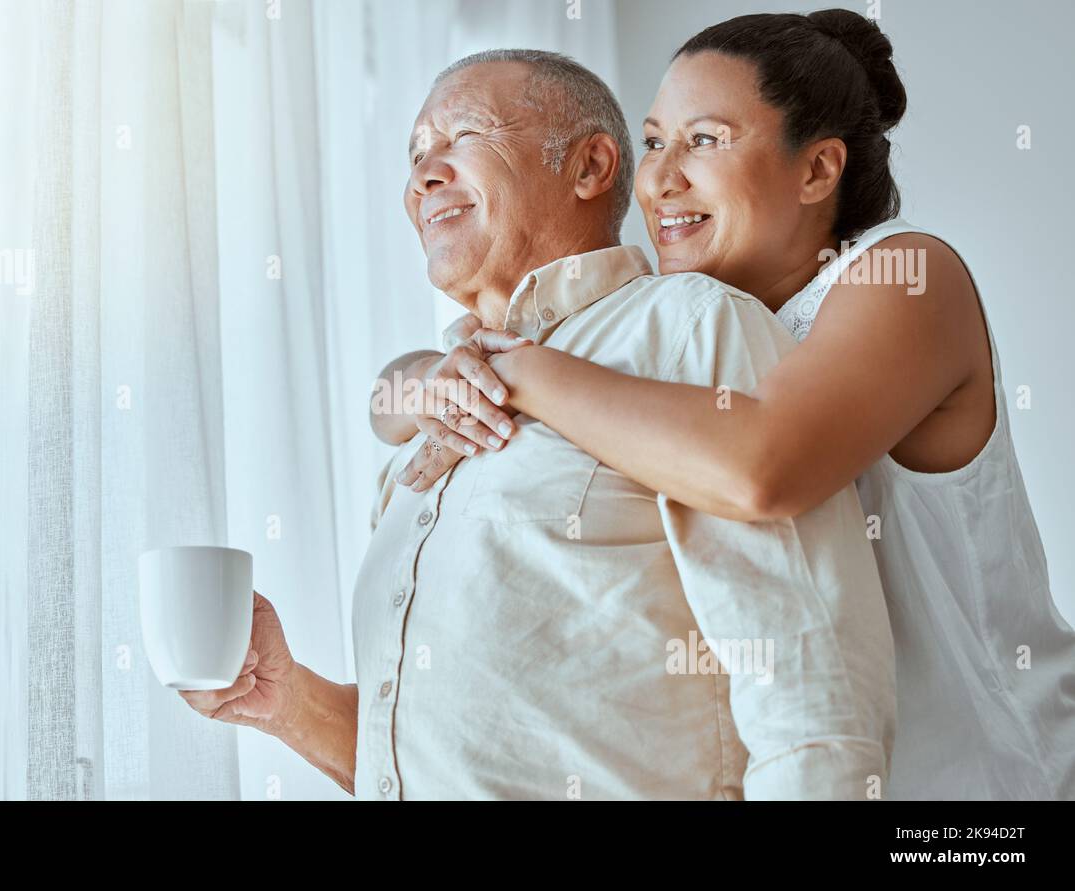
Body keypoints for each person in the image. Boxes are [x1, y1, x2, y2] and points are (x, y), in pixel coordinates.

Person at [377, 11, 1075, 801]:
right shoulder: (692, 327)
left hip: (996, 794)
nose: (661, 179)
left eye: (704, 141)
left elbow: (763, 467)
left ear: (817, 172)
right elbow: (395, 397)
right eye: (654, 142)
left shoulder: (902, 276)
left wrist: (514, 370)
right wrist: (436, 373)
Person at [181, 48, 897, 800]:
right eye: (416, 154)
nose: (423, 175)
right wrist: (288, 700)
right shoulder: (434, 416)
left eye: (463, 137)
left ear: (590, 167)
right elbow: (440, 763)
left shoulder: (687, 330)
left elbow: (813, 690)